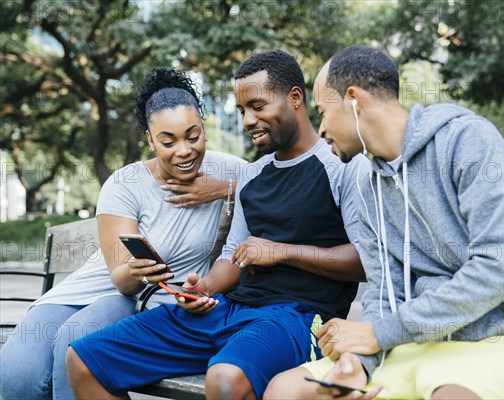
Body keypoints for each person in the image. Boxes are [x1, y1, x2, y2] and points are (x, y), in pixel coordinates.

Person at [264, 44, 504, 400]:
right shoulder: (367, 184)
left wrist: (380, 335)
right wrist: (359, 362)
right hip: (422, 342)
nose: (320, 130)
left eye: (322, 112)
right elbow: (384, 291)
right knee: (285, 390)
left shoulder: (468, 141)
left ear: (353, 100)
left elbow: (497, 271)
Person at [65, 49, 367, 400]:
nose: (248, 120)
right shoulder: (252, 177)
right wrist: (204, 287)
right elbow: (232, 258)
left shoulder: (341, 167)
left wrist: (281, 252)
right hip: (229, 310)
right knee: (84, 359)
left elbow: (364, 260)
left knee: (224, 379)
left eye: (257, 106)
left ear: (295, 98)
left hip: (297, 318)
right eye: (241, 111)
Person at [0, 68, 245, 400]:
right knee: (15, 374)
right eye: (167, 141)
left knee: (73, 346)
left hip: (140, 302)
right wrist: (134, 270)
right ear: (149, 139)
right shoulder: (124, 183)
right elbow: (121, 278)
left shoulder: (229, 169)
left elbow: (278, 188)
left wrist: (223, 190)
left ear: (203, 127)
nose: (184, 151)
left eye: (193, 136)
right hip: (107, 287)